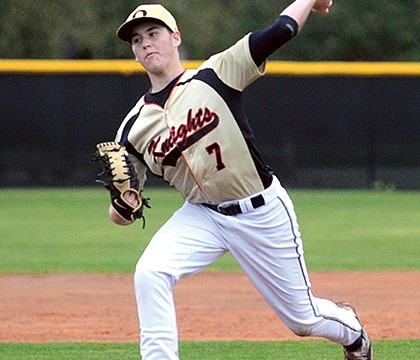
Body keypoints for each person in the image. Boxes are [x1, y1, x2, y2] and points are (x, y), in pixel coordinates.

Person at [108, 1, 373, 359]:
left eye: (153, 33)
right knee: (150, 272)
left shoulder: (216, 73)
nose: (145, 43)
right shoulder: (133, 127)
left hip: (260, 210)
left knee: (302, 319)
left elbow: (281, 30)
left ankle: (353, 332)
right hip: (202, 215)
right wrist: (124, 206)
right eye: (137, 39)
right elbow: (123, 209)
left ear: (175, 38)